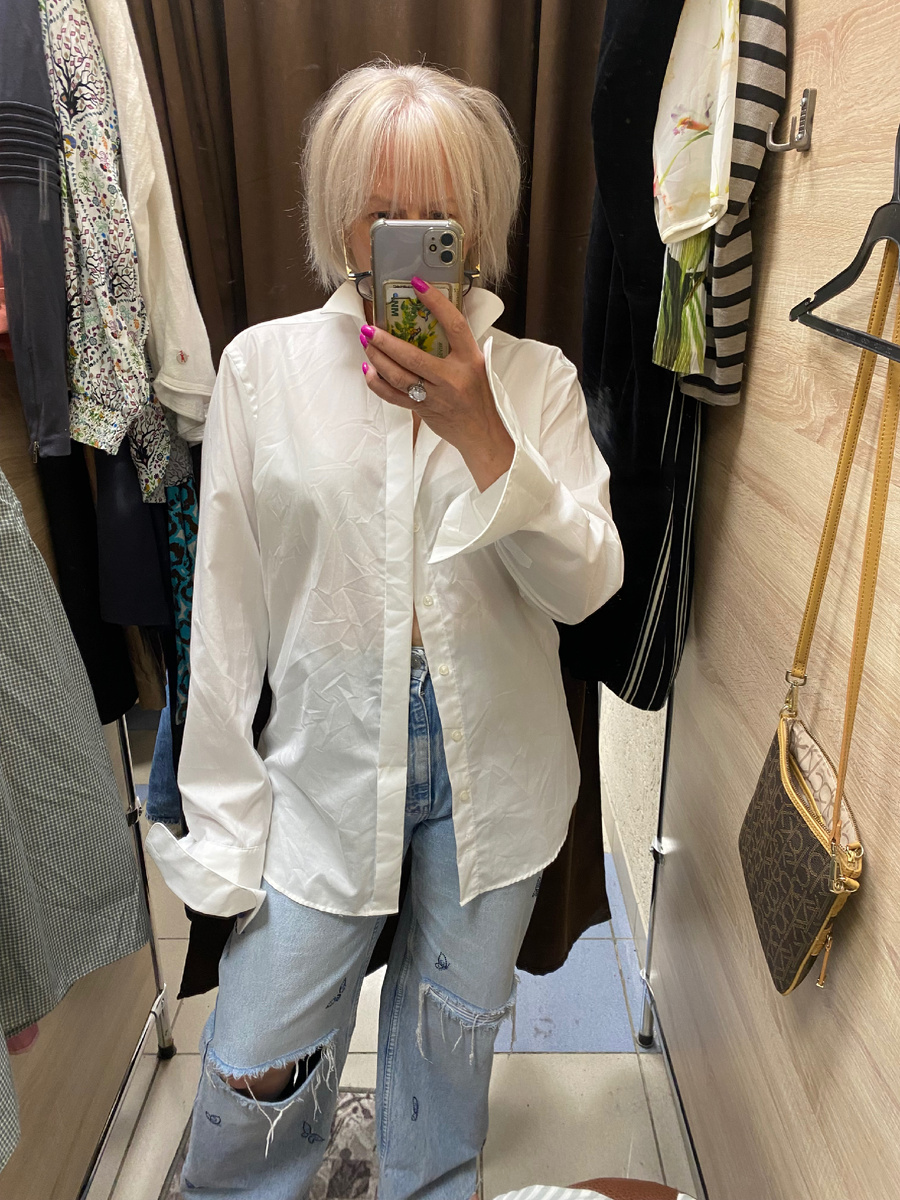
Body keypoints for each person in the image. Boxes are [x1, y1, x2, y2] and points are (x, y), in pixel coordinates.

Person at [145, 58, 623, 1200]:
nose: (408, 238)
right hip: (320, 763)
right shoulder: (263, 372)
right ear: (340, 220)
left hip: (496, 767)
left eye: (437, 214)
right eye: (382, 211)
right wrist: (223, 823)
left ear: (477, 224)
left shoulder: (536, 383)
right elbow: (226, 615)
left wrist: (483, 433)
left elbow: (589, 588)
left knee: (446, 1053)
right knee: (258, 1054)